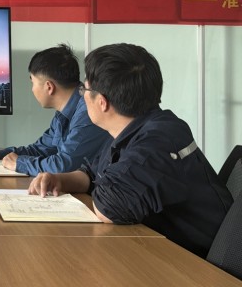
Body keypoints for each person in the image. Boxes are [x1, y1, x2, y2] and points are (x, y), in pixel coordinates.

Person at [29, 43, 233, 258]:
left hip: (194, 263)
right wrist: (59, 180)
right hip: (157, 249)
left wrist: (100, 184)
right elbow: (92, 172)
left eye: (84, 90)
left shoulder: (158, 140)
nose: (82, 96)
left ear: (102, 102)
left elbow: (110, 208)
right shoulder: (133, 127)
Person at [0, 44, 111, 175]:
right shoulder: (63, 113)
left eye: (33, 82)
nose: (32, 89)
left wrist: (20, 163)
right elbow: (42, 149)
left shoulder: (88, 110)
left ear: (49, 87)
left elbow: (64, 165)